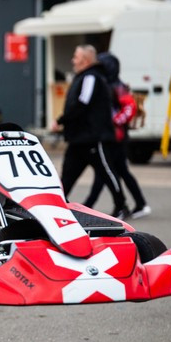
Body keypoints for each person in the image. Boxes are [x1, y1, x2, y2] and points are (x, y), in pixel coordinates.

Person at [50, 44, 128, 219]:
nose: (73, 60)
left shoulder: (91, 77)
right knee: (67, 176)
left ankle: (121, 206)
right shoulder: (83, 77)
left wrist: (61, 120)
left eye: (76, 57)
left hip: (93, 138)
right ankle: (57, 208)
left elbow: (82, 103)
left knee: (107, 172)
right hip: (78, 139)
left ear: (85, 60)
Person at [83, 53, 151, 219]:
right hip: (113, 136)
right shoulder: (108, 83)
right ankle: (139, 204)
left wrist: (114, 122)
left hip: (115, 137)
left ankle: (91, 206)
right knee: (117, 171)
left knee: (105, 172)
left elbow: (130, 107)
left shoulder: (115, 85)